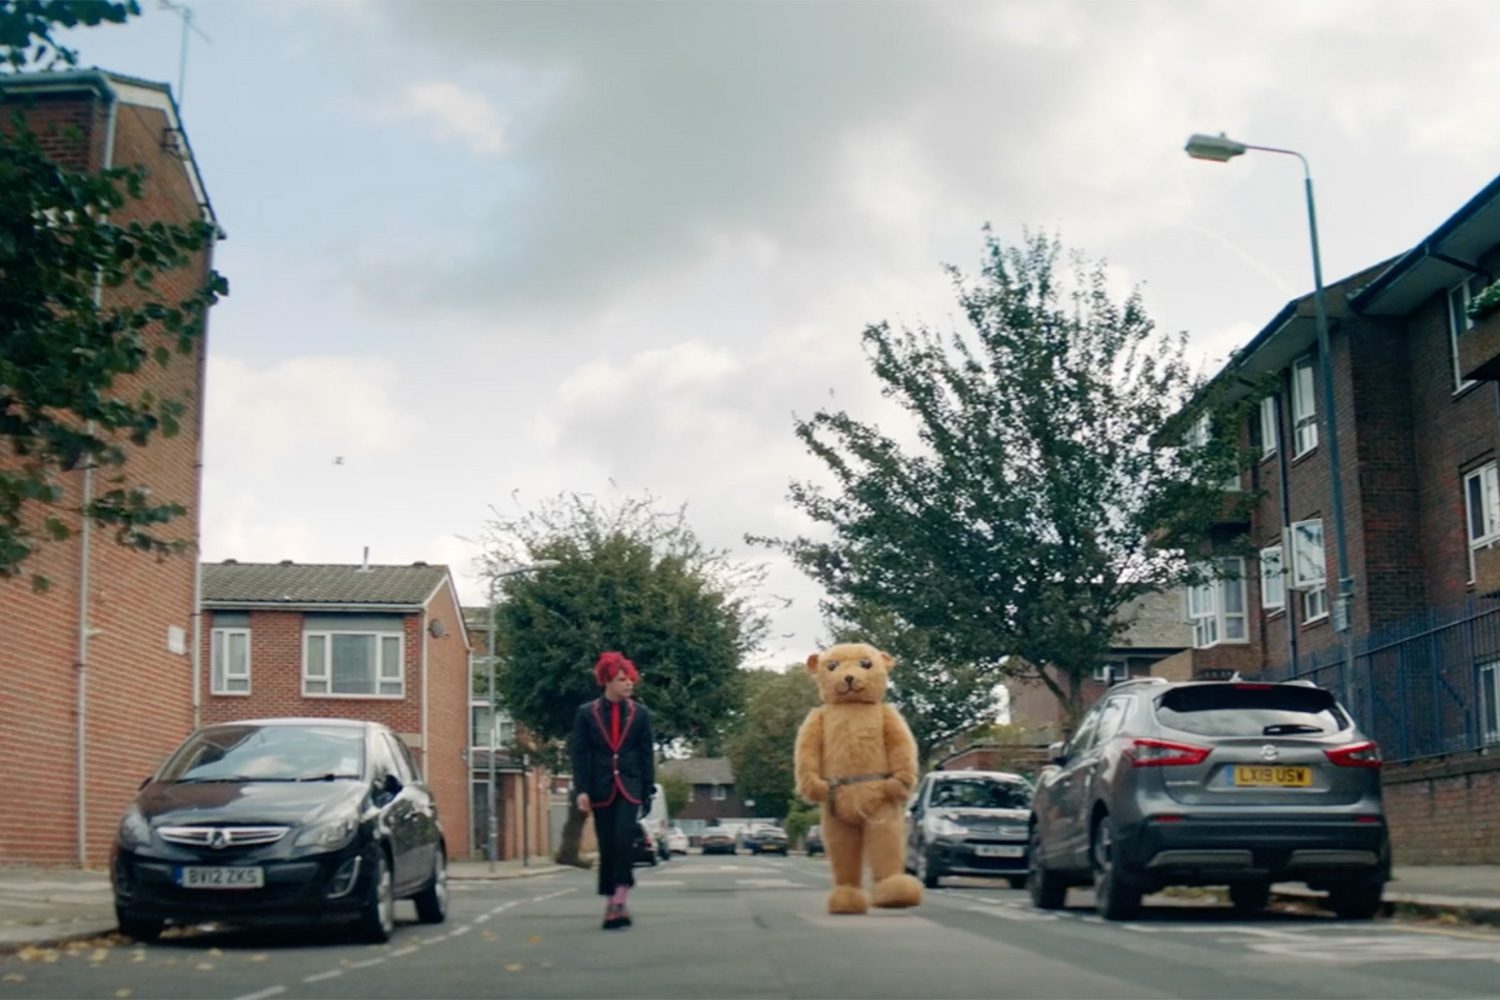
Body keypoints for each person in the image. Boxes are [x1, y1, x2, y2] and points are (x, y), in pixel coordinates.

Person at [571, 651, 655, 930]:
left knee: (622, 841)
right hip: (600, 788)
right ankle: (612, 904)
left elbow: (645, 754)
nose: (629, 683)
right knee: (607, 847)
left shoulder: (641, 714)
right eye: (622, 679)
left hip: (629, 787)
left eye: (630, 678)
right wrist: (581, 790)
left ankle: (620, 899)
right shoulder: (587, 713)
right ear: (607, 681)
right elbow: (580, 754)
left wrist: (647, 791)